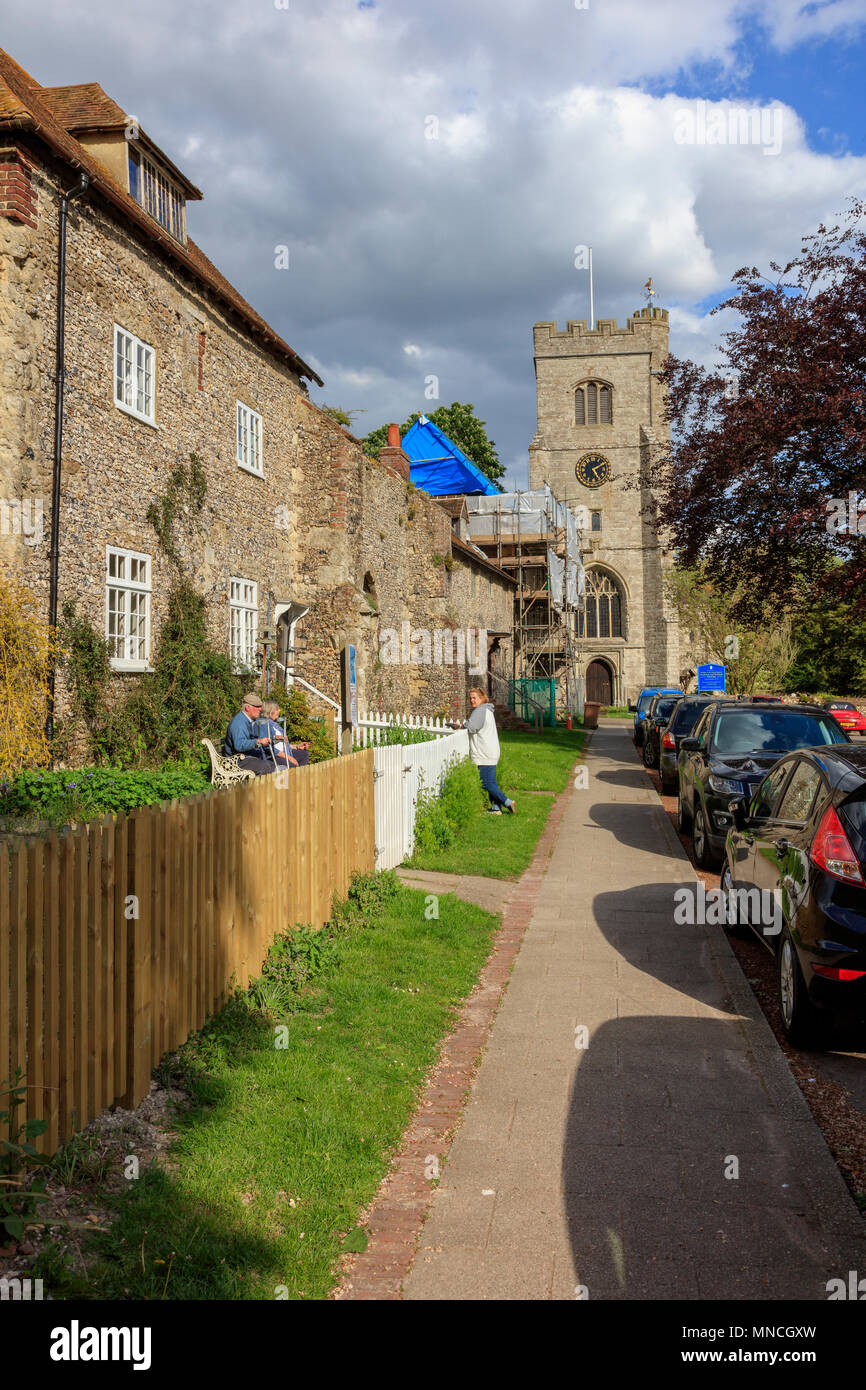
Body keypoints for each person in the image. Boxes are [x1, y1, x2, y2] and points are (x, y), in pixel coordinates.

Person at [461, 686, 515, 815]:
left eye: (474, 698)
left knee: (486, 783)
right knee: (491, 782)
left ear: (482, 698)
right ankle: (496, 808)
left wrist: (462, 726)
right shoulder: (487, 710)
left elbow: (472, 727)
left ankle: (508, 802)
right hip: (490, 750)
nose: (472, 700)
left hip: (484, 752)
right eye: (470, 698)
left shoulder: (480, 711)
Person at [224, 693, 275, 776]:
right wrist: (258, 742)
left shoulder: (249, 721)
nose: (260, 709)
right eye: (257, 707)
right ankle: (255, 788)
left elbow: (255, 738)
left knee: (272, 765)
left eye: (260, 706)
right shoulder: (238, 723)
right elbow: (239, 745)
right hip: (236, 761)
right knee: (265, 767)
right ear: (247, 708)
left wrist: (274, 738)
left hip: (245, 757)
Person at [258, 701, 299, 768]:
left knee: (303, 754)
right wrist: (288, 757)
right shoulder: (264, 724)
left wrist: (296, 746)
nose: (279, 710)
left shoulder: (273, 724)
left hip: (284, 752)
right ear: (270, 711)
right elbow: (268, 747)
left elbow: (279, 742)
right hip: (273, 755)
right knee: (292, 765)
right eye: (277, 709)